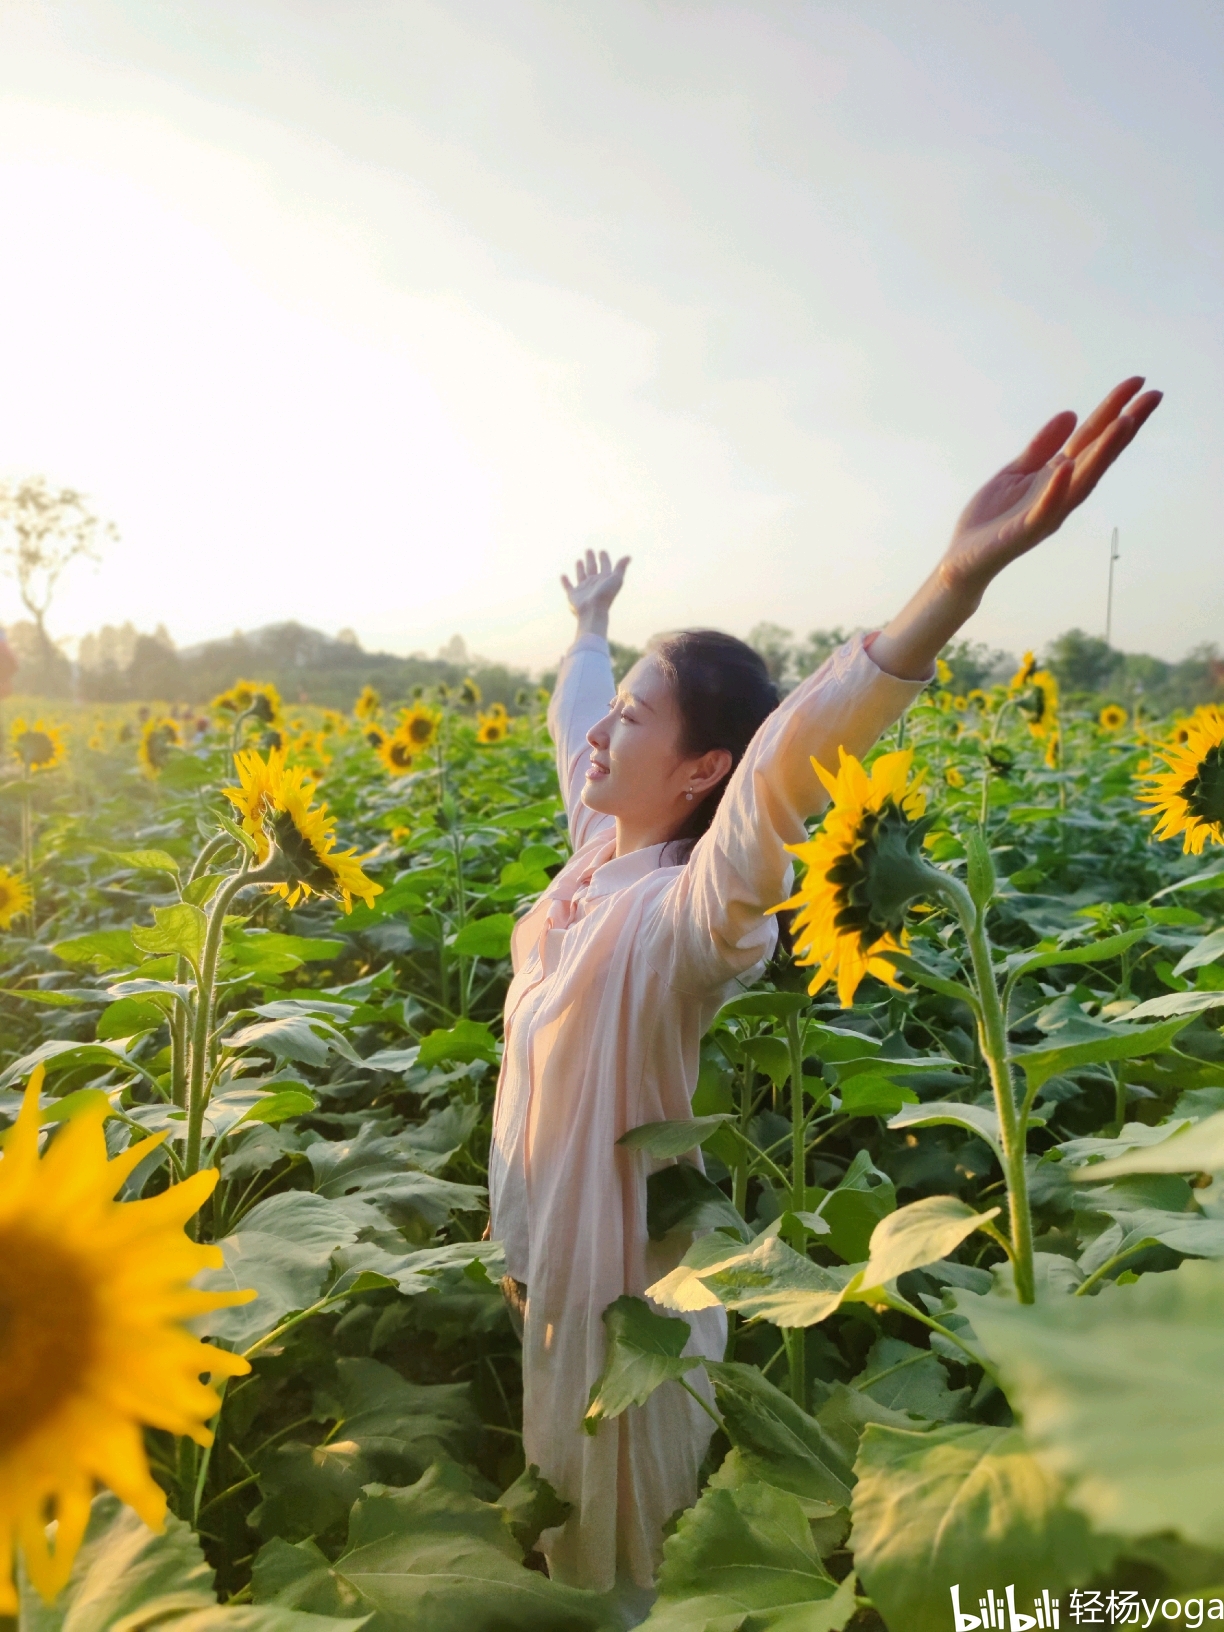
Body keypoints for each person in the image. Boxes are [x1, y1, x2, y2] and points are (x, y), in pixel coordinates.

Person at [487, 377, 1161, 1613]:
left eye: (638, 719)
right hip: (545, 1272)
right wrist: (592, 632)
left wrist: (952, 587)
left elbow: (787, 766)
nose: (601, 739)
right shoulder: (596, 856)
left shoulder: (682, 921)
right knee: (561, 1518)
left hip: (629, 1310)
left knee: (627, 1562)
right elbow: (572, 722)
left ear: (700, 770)